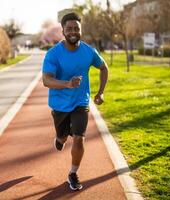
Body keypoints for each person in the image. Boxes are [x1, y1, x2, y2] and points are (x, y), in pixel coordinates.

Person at [42, 12, 108, 191]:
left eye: (76, 28)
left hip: (81, 102)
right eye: (69, 28)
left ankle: (72, 172)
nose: (73, 31)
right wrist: (67, 84)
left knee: (79, 139)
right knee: (63, 137)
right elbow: (46, 80)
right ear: (63, 31)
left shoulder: (88, 51)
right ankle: (60, 138)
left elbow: (103, 67)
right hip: (60, 104)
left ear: (80, 30)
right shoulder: (53, 54)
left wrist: (100, 92)